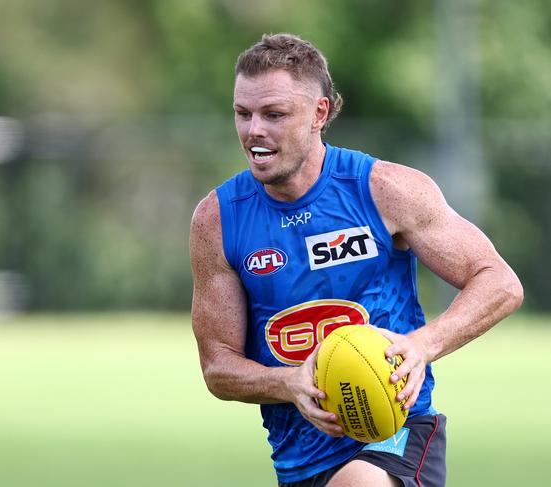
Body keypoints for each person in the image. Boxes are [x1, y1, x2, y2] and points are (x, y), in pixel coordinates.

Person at [189, 33, 523, 487]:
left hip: (397, 431)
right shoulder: (218, 220)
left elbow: (499, 282)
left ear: (319, 114)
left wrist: (425, 344)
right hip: (300, 461)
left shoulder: (386, 190)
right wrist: (288, 383)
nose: (254, 131)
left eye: (274, 115)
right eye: (242, 114)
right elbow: (218, 367)